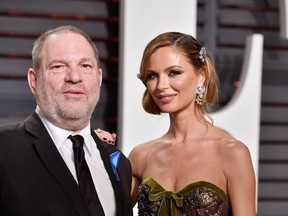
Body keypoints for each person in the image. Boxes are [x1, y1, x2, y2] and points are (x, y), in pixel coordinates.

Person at [99, 32, 256, 215]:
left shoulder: (231, 153)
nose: (161, 85)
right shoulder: (142, 156)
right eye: (152, 76)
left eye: (174, 72)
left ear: (201, 76)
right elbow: (106, 209)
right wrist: (96, 152)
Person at [0, 25, 133, 216]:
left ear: (99, 78)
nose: (74, 77)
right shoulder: (4, 149)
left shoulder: (120, 164)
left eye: (85, 66)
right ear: (34, 81)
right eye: (58, 66)